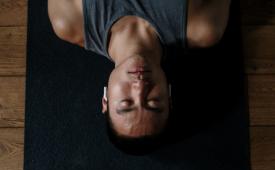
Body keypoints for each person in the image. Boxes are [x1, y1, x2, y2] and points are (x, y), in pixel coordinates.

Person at [48, 0, 231, 145]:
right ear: (169, 97)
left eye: (127, 102)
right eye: (153, 101)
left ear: (106, 99)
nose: (140, 86)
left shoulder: (69, 21)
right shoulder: (202, 26)